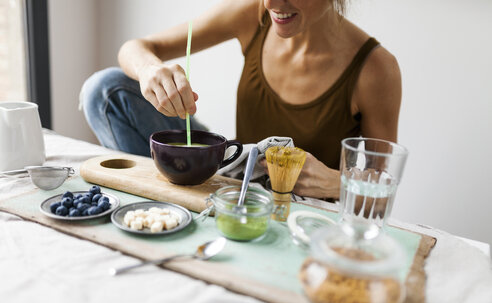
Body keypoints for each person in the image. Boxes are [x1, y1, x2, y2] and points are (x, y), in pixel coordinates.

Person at [81, 0, 401, 200]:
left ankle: (166, 203)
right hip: (236, 182)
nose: (271, 3)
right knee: (105, 90)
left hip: (296, 209)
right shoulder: (253, 14)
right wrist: (150, 71)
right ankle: (157, 201)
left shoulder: (375, 69)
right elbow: (135, 47)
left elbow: (380, 190)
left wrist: (339, 184)